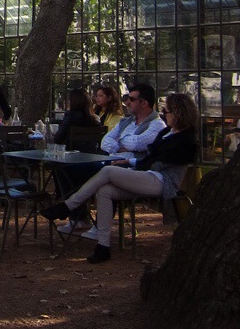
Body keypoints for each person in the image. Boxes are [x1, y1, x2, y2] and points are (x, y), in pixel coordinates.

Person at [43, 92, 199, 264]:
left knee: (108, 171)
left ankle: (69, 205)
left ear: (178, 113)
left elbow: (159, 162)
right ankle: (103, 246)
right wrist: (131, 160)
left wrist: (132, 161)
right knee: (104, 190)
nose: (163, 114)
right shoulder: (167, 132)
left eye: (166, 111)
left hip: (163, 181)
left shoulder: (186, 139)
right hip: (147, 175)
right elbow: (150, 156)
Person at [52, 88, 102, 235]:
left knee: (59, 171)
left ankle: (75, 215)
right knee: (64, 174)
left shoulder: (70, 117)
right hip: (92, 166)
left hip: (73, 164)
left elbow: (57, 139)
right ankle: (78, 214)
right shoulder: (95, 119)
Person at [101, 82, 167, 163]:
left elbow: (137, 143)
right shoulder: (125, 121)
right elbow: (104, 141)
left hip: (131, 168)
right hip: (110, 163)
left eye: (132, 99)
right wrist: (120, 148)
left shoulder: (157, 124)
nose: (127, 103)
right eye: (127, 98)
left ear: (144, 103)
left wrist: (118, 139)